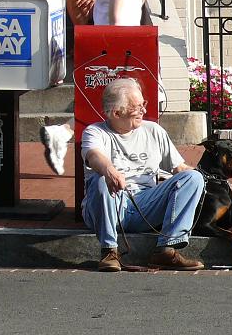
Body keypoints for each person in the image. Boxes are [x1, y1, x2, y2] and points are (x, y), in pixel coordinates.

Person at [81, 77, 205, 272]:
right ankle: (109, 251)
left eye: (143, 104)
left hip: (146, 203)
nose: (143, 111)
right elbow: (93, 155)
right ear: (116, 112)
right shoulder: (95, 132)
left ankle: (166, 250)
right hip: (112, 204)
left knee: (194, 178)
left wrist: (206, 179)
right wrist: (109, 170)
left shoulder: (154, 131)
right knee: (101, 180)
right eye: (137, 107)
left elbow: (179, 168)